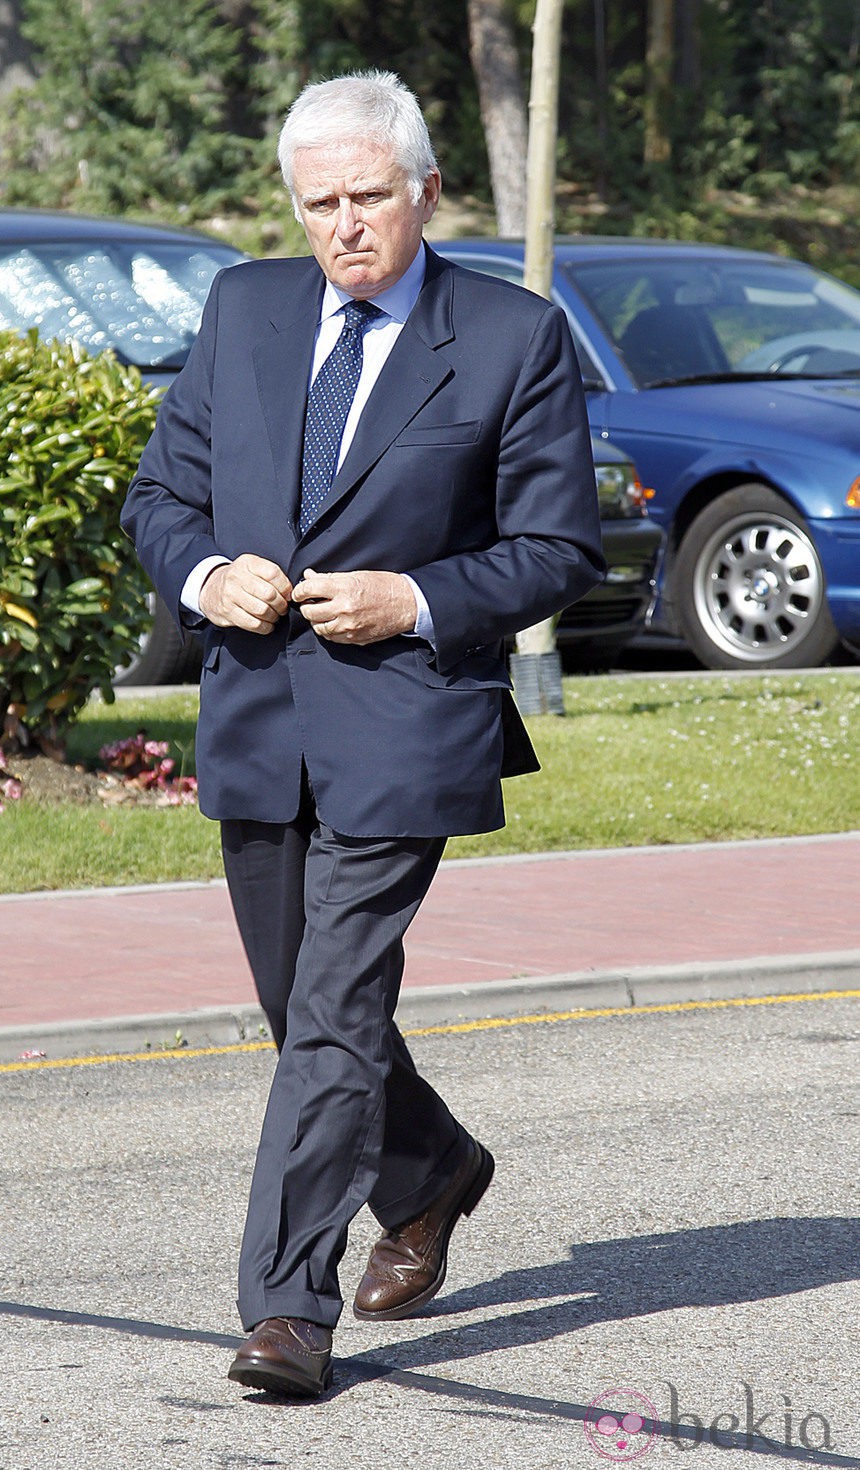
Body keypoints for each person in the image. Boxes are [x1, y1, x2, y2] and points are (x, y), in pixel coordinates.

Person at [121, 69, 604, 1399]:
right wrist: (203, 571)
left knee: (334, 1010)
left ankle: (286, 1309)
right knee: (298, 1004)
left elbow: (564, 544)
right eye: (320, 202)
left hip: (407, 719)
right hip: (260, 713)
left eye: (369, 198)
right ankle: (432, 1164)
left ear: (426, 191)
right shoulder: (245, 308)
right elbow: (161, 492)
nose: (344, 226)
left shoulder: (512, 337)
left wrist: (420, 596)